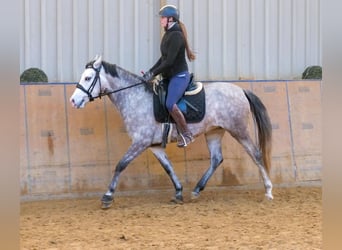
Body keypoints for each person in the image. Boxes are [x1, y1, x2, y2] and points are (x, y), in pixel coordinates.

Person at [143, 4, 196, 147]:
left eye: (163, 18)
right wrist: (149, 72)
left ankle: (187, 134)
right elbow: (163, 59)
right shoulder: (167, 35)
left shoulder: (177, 36)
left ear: (170, 19)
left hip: (179, 76)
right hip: (169, 76)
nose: (161, 20)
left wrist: (153, 73)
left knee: (170, 104)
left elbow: (170, 61)